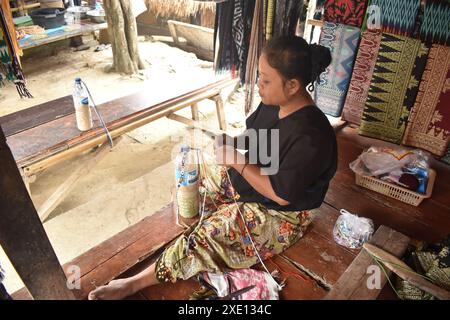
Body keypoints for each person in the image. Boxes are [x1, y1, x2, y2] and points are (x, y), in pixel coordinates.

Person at [88, 35, 336, 300]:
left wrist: (237, 161)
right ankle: (213, 224)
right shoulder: (274, 102)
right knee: (194, 172)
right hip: (257, 179)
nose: (258, 85)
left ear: (293, 85)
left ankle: (134, 283)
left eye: (265, 80)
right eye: (258, 76)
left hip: (283, 212)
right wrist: (234, 141)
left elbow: (281, 194)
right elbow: (258, 135)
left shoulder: (313, 136)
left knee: (209, 236)